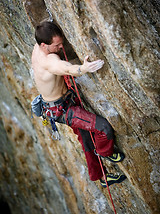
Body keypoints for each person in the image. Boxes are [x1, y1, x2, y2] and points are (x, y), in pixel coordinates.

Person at [32, 21, 126, 187]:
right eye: (57, 45)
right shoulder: (49, 61)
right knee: (102, 128)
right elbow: (66, 68)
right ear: (44, 45)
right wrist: (84, 68)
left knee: (86, 140)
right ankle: (105, 152)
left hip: (58, 105)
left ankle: (102, 178)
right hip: (64, 110)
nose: (61, 47)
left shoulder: (38, 47)